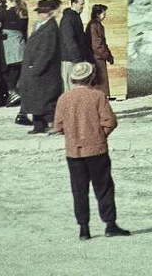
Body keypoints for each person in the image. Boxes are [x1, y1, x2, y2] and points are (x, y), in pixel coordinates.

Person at [52, 62, 129, 239]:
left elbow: (58, 126)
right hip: (97, 150)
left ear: (73, 79)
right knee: (104, 188)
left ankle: (84, 229)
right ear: (91, 77)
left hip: (73, 153)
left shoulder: (64, 98)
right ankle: (110, 225)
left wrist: (72, 135)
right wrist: (101, 136)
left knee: (79, 190)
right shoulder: (98, 96)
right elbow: (110, 121)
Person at [17, 0, 62, 133]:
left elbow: (46, 51)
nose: (42, 15)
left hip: (43, 70)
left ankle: (53, 125)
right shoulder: (40, 25)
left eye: (45, 12)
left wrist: (36, 68)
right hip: (34, 68)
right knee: (36, 98)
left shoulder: (51, 28)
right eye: (40, 12)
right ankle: (38, 125)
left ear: (50, 13)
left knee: (45, 99)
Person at [0, 0, 28, 104]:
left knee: (5, 69)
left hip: (7, 43)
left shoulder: (5, 13)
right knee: (16, 69)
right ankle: (15, 92)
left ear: (10, 2)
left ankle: (12, 92)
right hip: (20, 43)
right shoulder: (23, 13)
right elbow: (24, 31)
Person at [58, 0, 93, 94]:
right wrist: (77, 58)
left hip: (75, 57)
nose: (82, 7)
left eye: (83, 4)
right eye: (81, 4)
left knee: (74, 86)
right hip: (70, 58)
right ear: (73, 4)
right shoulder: (68, 18)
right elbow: (69, 40)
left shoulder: (75, 17)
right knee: (69, 86)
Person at [87, 3, 116, 100]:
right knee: (99, 84)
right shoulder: (94, 25)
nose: (105, 15)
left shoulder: (96, 25)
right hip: (97, 58)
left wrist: (108, 55)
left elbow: (102, 42)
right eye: (104, 13)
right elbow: (97, 44)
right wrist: (106, 55)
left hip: (99, 57)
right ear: (98, 14)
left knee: (100, 84)